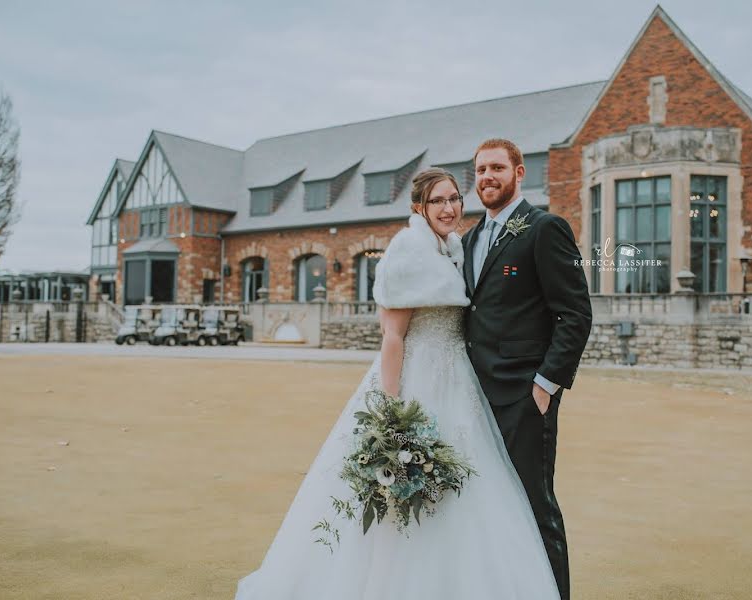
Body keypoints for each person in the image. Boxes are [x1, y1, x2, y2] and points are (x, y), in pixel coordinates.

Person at [234, 168, 561, 599]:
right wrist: (391, 413)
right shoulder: (407, 249)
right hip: (414, 383)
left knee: (467, 486)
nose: (449, 208)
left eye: (453, 199)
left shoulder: (453, 249)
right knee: (405, 486)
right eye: (438, 201)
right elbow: (392, 338)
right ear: (418, 207)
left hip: (458, 382)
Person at [462, 138, 593, 600]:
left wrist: (545, 385)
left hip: (523, 398)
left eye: (497, 168)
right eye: (480, 170)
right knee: (484, 507)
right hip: (472, 399)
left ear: (520, 173)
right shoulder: (469, 239)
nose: (486, 177)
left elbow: (575, 313)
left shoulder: (544, 228)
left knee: (536, 508)